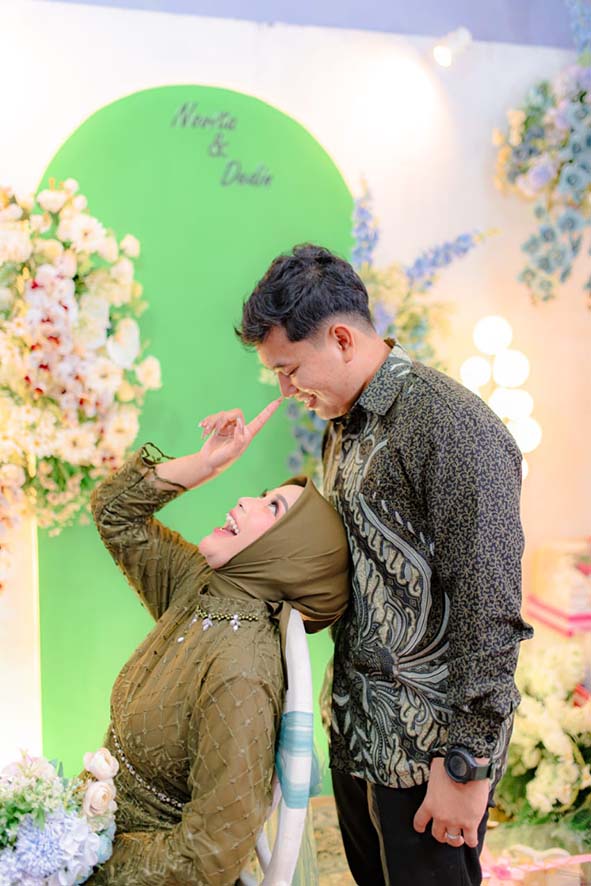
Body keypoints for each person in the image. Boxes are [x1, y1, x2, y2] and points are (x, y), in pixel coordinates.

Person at [236, 244, 534, 886]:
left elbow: (490, 607)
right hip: (358, 736)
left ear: (341, 339)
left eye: (290, 370)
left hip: (431, 757)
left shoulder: (452, 426)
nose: (286, 390)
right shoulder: (343, 424)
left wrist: (467, 767)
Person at [86, 397, 349, 885]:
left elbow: (209, 858)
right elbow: (114, 514)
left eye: (272, 508)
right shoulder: (201, 586)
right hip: (87, 836)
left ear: (289, 555)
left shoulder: (242, 672)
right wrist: (205, 463)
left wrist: (86, 858)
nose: (247, 500)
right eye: (264, 494)